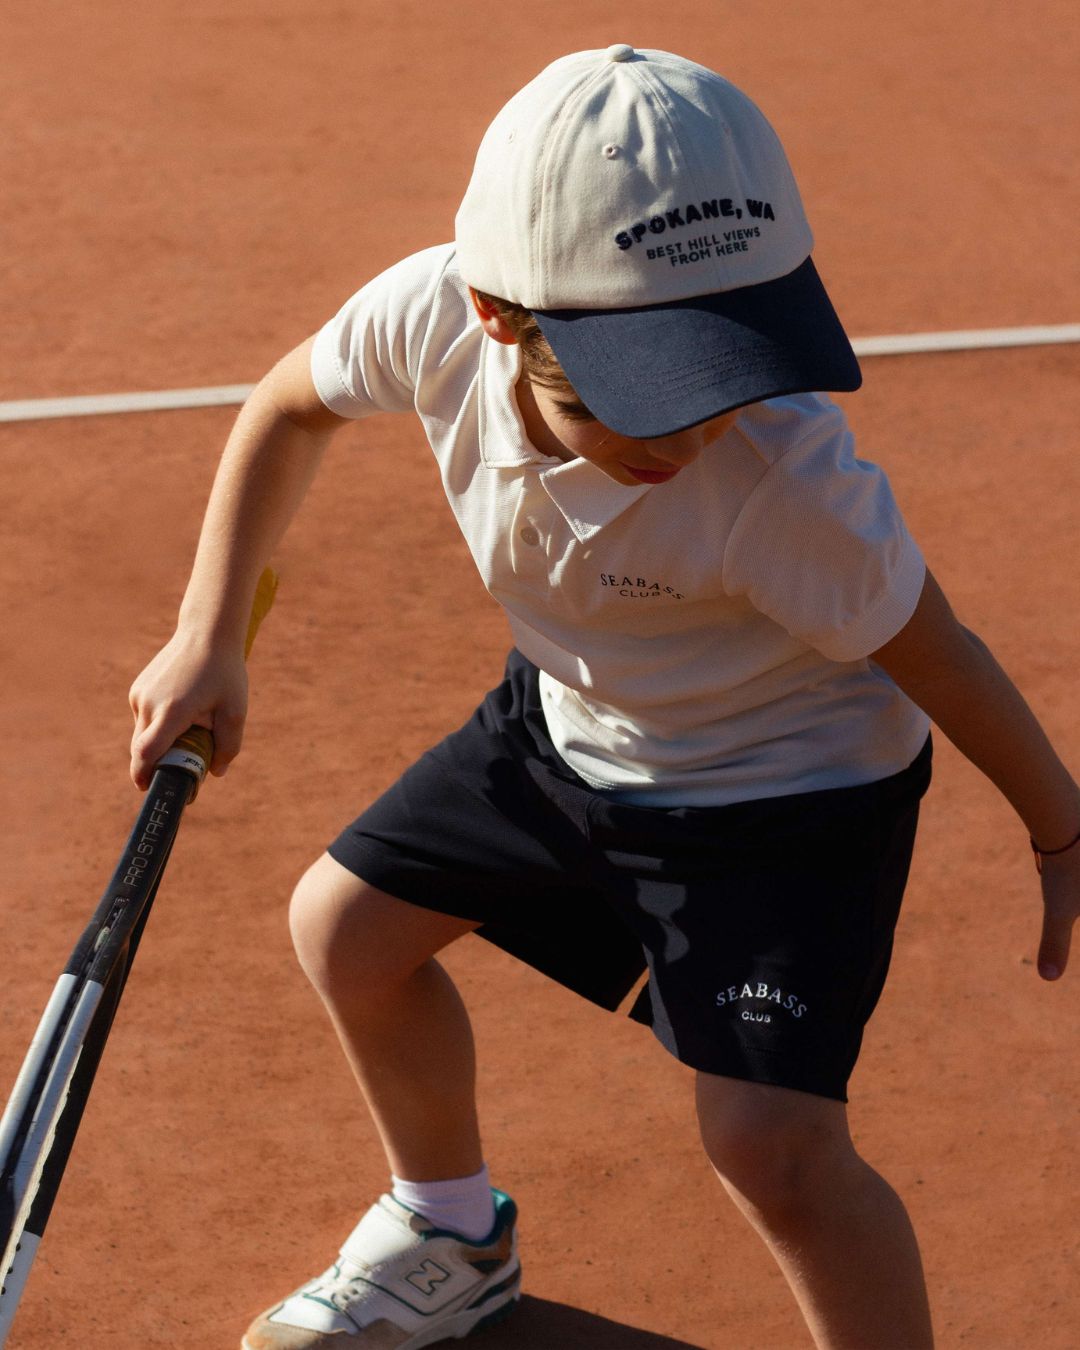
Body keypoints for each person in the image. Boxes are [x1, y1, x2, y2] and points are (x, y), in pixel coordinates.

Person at [128, 45, 1079, 1350]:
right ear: (499, 317)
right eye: (638, 400)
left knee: (772, 1148)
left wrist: (1060, 824)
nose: (688, 435)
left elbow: (940, 654)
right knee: (345, 932)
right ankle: (449, 1233)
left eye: (724, 371)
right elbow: (290, 408)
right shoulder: (425, 318)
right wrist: (209, 631)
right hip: (577, 722)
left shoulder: (784, 480)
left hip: (788, 791)